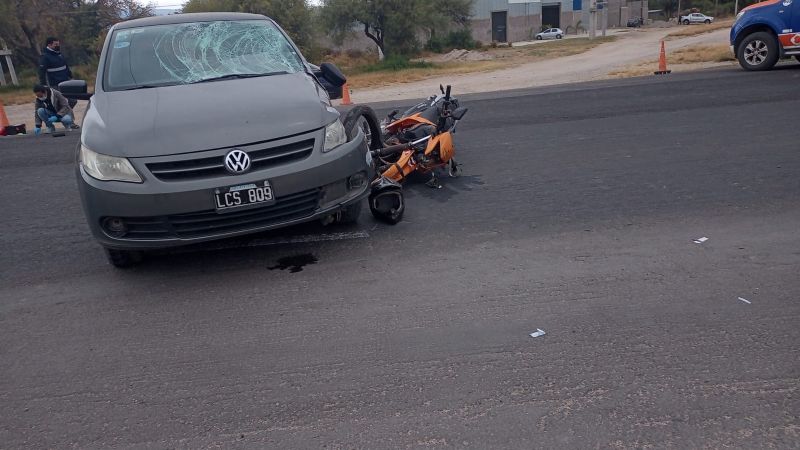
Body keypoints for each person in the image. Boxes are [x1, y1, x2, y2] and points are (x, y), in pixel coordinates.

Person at [38, 37, 77, 108]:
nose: (58, 46)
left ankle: (64, 112)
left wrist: (71, 77)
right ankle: (59, 115)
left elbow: (66, 67)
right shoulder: (45, 57)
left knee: (73, 100)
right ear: (49, 45)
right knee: (57, 102)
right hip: (55, 84)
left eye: (58, 44)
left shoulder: (59, 54)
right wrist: (43, 85)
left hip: (65, 82)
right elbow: (41, 72)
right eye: (55, 44)